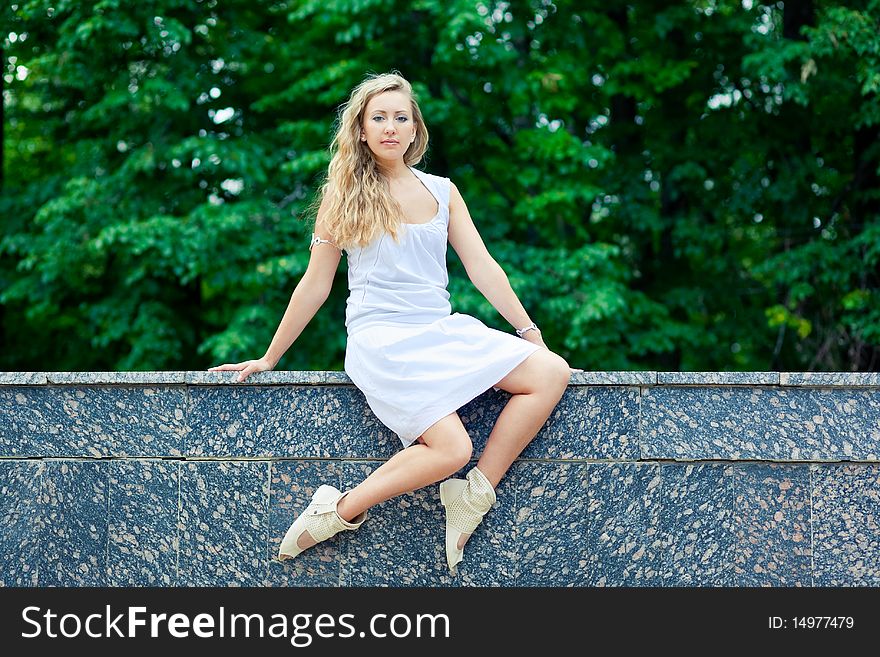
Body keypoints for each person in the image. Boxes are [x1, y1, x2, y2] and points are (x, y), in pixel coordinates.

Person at [208, 71, 582, 575]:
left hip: (440, 329)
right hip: (381, 340)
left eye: (400, 117)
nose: (390, 126)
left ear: (414, 129)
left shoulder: (443, 191)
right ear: (361, 129)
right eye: (378, 118)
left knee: (550, 372)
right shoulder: (342, 197)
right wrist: (270, 357)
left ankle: (475, 493)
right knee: (451, 447)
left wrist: (529, 333)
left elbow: (482, 266)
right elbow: (315, 285)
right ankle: (338, 510)